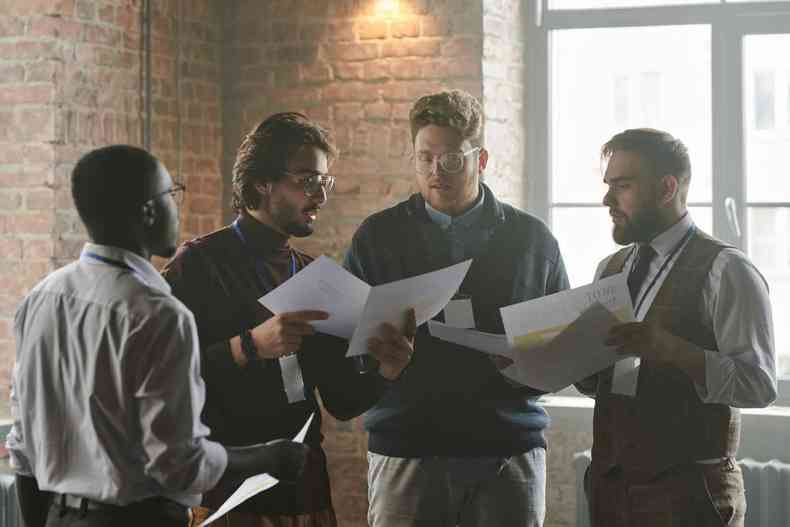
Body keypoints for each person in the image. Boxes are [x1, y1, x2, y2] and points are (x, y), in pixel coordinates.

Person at [6, 145, 309, 527]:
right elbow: (179, 464)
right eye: (171, 195)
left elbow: (24, 447)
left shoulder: (43, 297)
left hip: (59, 516)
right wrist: (267, 458)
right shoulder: (157, 314)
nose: (176, 208)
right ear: (149, 212)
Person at [161, 112, 412, 527]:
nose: (321, 196)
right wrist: (249, 347)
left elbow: (342, 402)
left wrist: (387, 371)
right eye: (308, 181)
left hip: (304, 486)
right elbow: (163, 380)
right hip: (228, 490)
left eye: (324, 182)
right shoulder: (199, 265)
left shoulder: (315, 276)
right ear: (263, 182)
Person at [344, 89, 569, 527]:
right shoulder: (376, 238)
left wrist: (535, 361)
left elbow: (563, 349)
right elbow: (347, 348)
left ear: (481, 160)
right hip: (406, 446)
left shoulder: (532, 240)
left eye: (450, 160)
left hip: (508, 447)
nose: (435, 172)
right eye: (424, 158)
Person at [576, 128, 777, 527]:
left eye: (623, 186)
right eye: (607, 186)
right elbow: (603, 379)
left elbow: (759, 384)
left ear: (667, 187)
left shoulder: (729, 270)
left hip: (690, 496)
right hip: (609, 489)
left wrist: (671, 350)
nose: (607, 200)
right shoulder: (609, 269)